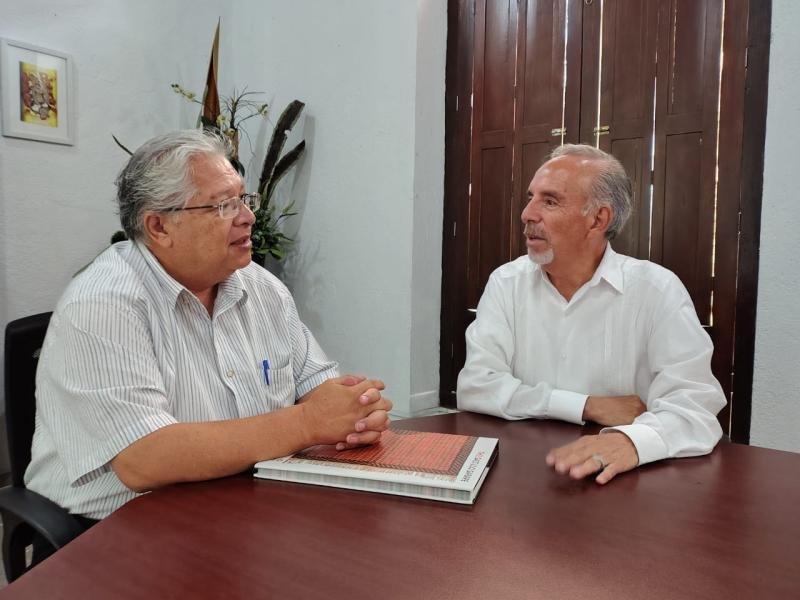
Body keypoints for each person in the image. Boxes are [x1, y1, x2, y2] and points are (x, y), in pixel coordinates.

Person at [25, 130, 392, 521]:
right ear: (159, 227)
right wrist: (310, 422)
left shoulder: (260, 286)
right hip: (116, 528)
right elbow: (145, 459)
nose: (248, 217)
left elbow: (318, 387)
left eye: (244, 199)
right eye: (223, 206)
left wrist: (354, 412)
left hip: (241, 506)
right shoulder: (103, 304)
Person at [457, 144, 725, 484]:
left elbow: (694, 406)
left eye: (549, 201)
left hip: (623, 481)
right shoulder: (506, 282)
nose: (527, 214)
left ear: (598, 219)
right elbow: (476, 386)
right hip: (523, 472)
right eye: (530, 197)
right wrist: (585, 405)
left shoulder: (656, 290)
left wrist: (630, 441)